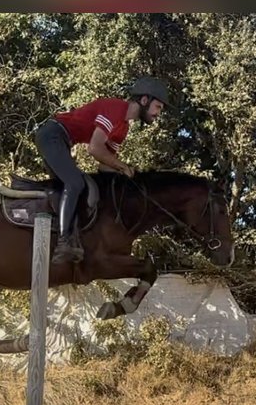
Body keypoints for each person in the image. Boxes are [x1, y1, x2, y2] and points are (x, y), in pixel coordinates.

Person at [35, 76, 171, 264]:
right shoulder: (116, 108)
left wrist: (130, 180)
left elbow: (105, 164)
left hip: (63, 142)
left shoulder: (123, 129)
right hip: (52, 135)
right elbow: (95, 149)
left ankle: (62, 238)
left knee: (76, 188)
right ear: (144, 100)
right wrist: (123, 166)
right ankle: (64, 242)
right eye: (158, 107)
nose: (158, 113)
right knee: (75, 183)